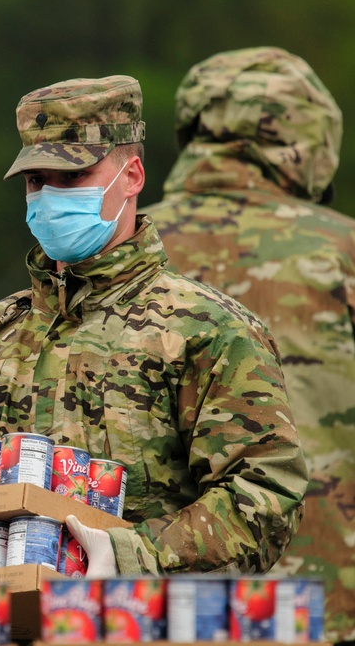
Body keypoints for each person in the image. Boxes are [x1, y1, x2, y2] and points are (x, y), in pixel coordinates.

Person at [0, 75, 309, 577]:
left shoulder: (207, 331)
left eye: (71, 178)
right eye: (36, 181)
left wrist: (132, 555)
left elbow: (265, 497)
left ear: (132, 176)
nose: (49, 197)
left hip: (145, 624)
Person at [142, 46, 355, 642]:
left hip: (160, 595)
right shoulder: (342, 253)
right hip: (325, 594)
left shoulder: (121, 250)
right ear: (311, 138)